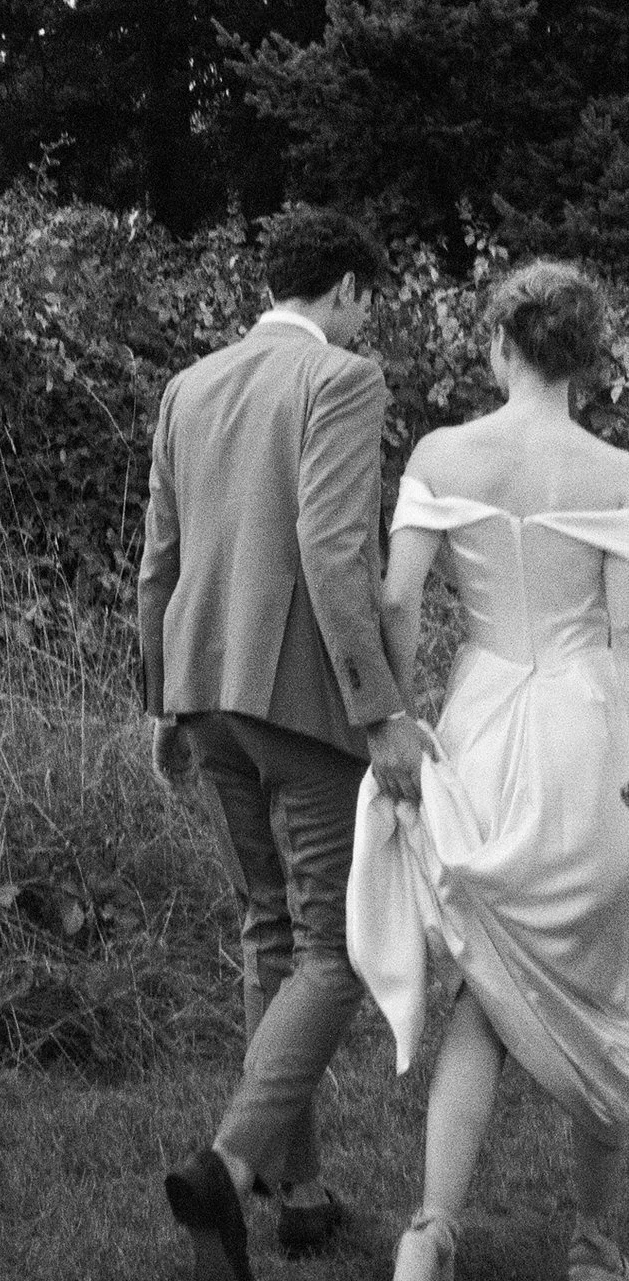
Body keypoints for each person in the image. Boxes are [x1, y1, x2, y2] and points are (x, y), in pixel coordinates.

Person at [140, 205, 431, 1281]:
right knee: (335, 949)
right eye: (366, 304)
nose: (365, 324)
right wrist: (380, 711)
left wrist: (158, 700)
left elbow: (157, 558)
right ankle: (225, 1166)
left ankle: (298, 1194)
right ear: (346, 289)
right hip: (301, 703)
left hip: (203, 692)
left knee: (269, 929)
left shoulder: (189, 385)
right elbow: (331, 544)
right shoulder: (341, 380)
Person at [348, 259, 629, 1281]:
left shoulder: (441, 454)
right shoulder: (617, 474)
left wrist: (395, 716)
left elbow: (395, 601)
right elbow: (627, 637)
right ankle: (593, 1245)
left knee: (483, 988)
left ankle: (429, 1232)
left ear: (501, 346)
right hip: (584, 736)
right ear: (587, 361)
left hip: (479, 728)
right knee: (603, 987)